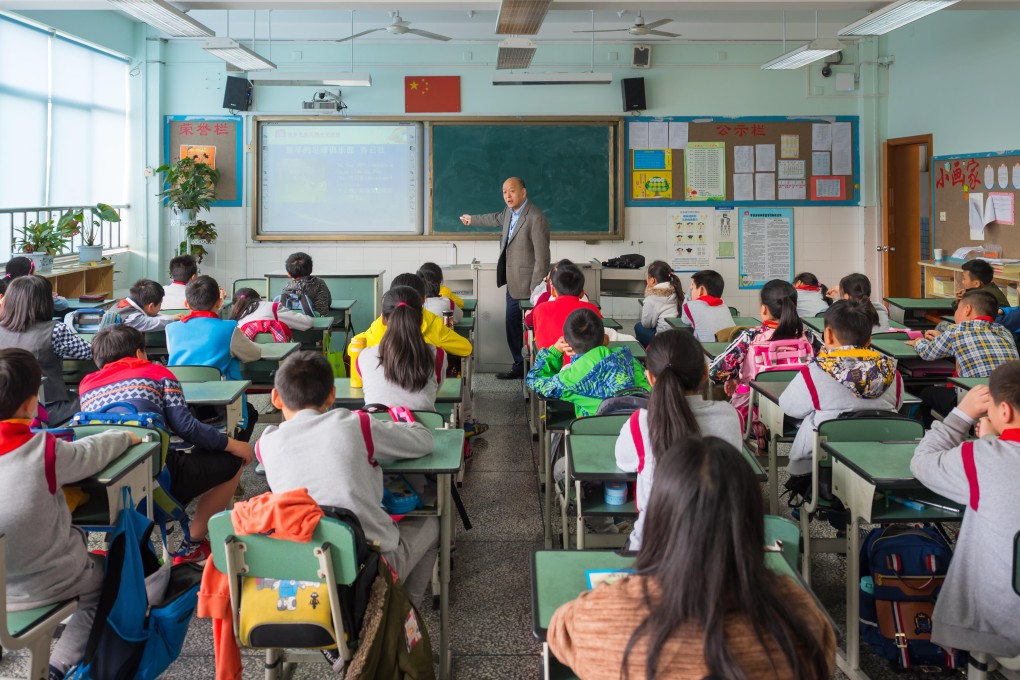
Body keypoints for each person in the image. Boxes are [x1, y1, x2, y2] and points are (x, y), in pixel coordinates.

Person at [547, 436, 836, 680]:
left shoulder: (602, 619)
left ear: (659, 517)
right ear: (752, 519)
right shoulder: (802, 620)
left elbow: (560, 634)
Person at [0, 348, 140, 679]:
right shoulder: (44, 451)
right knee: (110, 580)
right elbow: (91, 453)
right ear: (31, 404)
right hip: (45, 583)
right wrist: (123, 435)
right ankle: (57, 665)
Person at [256, 350, 439, 603]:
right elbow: (424, 442)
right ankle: (404, 611)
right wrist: (409, 423)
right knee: (432, 524)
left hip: (301, 566)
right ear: (333, 394)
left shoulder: (266, 444)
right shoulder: (356, 425)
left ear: (276, 397)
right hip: (367, 563)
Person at [79, 325, 252, 565]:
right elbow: (186, 427)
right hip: (157, 480)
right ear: (140, 353)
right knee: (233, 461)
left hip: (106, 487)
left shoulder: (86, 385)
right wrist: (234, 444)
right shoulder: (157, 372)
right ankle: (192, 543)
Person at [910, 363, 1020, 659]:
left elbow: (922, 463)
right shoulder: (986, 453)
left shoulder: (979, 458)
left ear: (1004, 412)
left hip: (1000, 622)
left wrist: (961, 416)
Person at [614, 330, 741, 551]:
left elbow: (623, 461)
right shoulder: (729, 416)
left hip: (652, 549)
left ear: (650, 378)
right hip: (716, 548)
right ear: (705, 372)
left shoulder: (641, 423)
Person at [780, 300, 904, 477]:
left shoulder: (815, 371)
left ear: (828, 335)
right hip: (881, 459)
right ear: (869, 339)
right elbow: (897, 406)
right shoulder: (893, 372)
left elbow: (790, 407)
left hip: (822, 464)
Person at [460, 177, 550, 379]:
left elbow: (543, 257)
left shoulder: (536, 217)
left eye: (512, 191)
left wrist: (535, 287)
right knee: (511, 323)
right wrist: (471, 219)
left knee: (524, 325)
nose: (507, 196)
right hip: (512, 281)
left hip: (528, 285)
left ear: (523, 192)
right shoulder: (510, 212)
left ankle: (529, 368)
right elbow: (494, 218)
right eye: (504, 192)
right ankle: (520, 365)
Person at [709, 279, 819, 426]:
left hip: (755, 415)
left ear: (764, 309)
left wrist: (735, 376)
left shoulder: (751, 336)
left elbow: (715, 370)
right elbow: (827, 366)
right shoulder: (809, 337)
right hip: (801, 414)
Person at [165, 275, 261, 441]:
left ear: (186, 304)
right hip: (220, 403)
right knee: (250, 413)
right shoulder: (229, 329)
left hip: (180, 402)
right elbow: (254, 354)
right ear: (219, 302)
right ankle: (233, 454)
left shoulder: (171, 329)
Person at [907, 289, 1018, 427]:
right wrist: (942, 337)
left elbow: (927, 352)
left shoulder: (956, 330)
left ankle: (934, 436)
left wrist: (918, 342)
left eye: (957, 309)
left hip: (976, 403)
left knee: (927, 393)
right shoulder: (1005, 332)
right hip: (1011, 402)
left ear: (967, 309)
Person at [0, 276, 92, 425]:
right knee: (92, 400)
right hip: (47, 407)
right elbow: (90, 352)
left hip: (6, 410)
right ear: (44, 302)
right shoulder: (55, 330)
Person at [527, 308, 650, 418]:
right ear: (605, 339)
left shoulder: (571, 378)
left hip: (596, 437)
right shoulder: (629, 360)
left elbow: (535, 379)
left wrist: (555, 351)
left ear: (568, 345)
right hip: (641, 431)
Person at [358, 287, 446, 411]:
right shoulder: (438, 355)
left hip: (378, 429)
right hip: (423, 429)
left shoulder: (364, 356)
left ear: (383, 319)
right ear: (421, 319)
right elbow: (434, 390)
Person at [351, 273, 472, 359]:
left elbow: (352, 348)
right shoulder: (431, 323)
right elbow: (466, 348)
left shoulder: (379, 325)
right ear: (424, 299)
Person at [532, 262, 601, 351]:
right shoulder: (592, 309)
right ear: (582, 293)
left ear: (553, 292)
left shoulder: (540, 309)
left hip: (549, 363)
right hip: (585, 363)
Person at [229, 287, 313, 341]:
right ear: (260, 297)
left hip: (245, 365)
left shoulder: (234, 319)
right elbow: (307, 323)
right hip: (279, 362)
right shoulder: (272, 307)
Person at [100, 278, 182, 331]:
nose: (160, 308)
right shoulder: (132, 318)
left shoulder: (124, 302)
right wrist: (173, 318)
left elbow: (150, 315)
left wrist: (171, 316)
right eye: (160, 305)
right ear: (150, 306)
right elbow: (153, 322)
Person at [635, 261, 683, 346]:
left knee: (638, 327)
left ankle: (648, 353)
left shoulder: (652, 298)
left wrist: (648, 293)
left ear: (652, 280)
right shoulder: (679, 291)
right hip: (682, 337)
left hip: (663, 339)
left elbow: (647, 324)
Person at [680, 269, 732, 343]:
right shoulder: (723, 305)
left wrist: (689, 291)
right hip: (730, 350)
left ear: (701, 290)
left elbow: (685, 320)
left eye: (693, 288)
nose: (692, 290)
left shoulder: (690, 306)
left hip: (707, 352)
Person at [280, 251, 332, 317]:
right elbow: (328, 302)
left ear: (289, 274)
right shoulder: (320, 283)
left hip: (292, 322)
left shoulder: (287, 288)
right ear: (311, 269)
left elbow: (283, 308)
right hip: (320, 321)